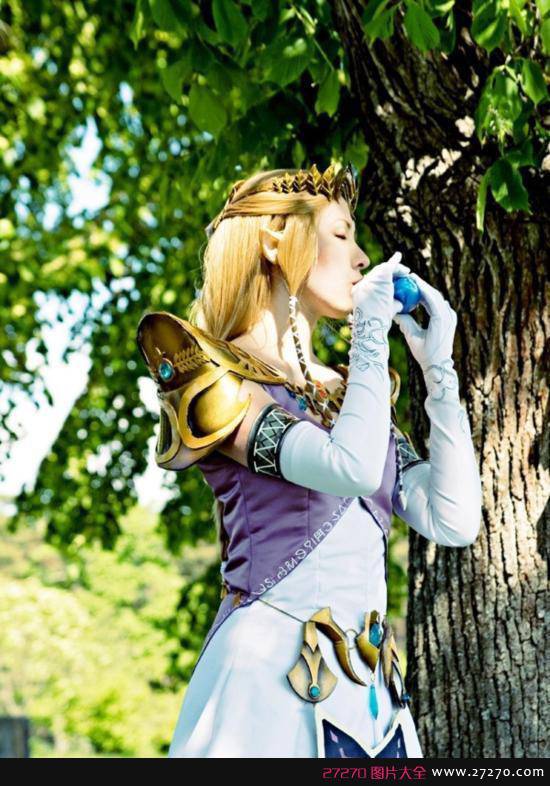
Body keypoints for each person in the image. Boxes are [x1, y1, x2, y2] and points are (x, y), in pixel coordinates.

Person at [136, 162, 482, 758]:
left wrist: (438, 369)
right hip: (266, 687)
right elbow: (347, 468)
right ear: (277, 243)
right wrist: (369, 332)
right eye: (342, 234)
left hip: (373, 694)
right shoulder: (218, 377)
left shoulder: (350, 392)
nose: (361, 258)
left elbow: (452, 518)